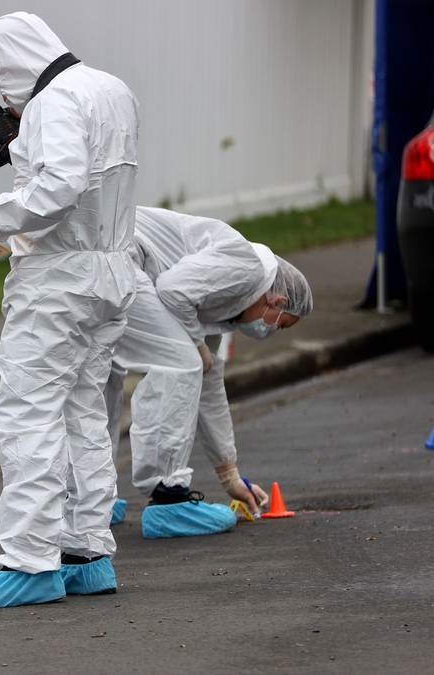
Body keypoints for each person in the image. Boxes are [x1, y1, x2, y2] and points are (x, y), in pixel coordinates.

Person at [0, 12, 140, 607]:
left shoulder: (54, 102)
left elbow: (58, 187)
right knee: (85, 410)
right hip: (110, 271)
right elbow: (87, 186)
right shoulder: (111, 89)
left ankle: (30, 562)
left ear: (7, 64)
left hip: (59, 281)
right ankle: (87, 552)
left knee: (29, 415)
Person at [105, 206, 313, 538]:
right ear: (277, 300)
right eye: (281, 324)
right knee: (180, 361)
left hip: (106, 251)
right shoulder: (245, 268)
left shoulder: (224, 304)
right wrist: (196, 345)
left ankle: (91, 500)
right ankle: (167, 498)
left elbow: (211, 388)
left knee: (104, 374)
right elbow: (173, 290)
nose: (271, 331)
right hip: (122, 256)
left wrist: (229, 474)